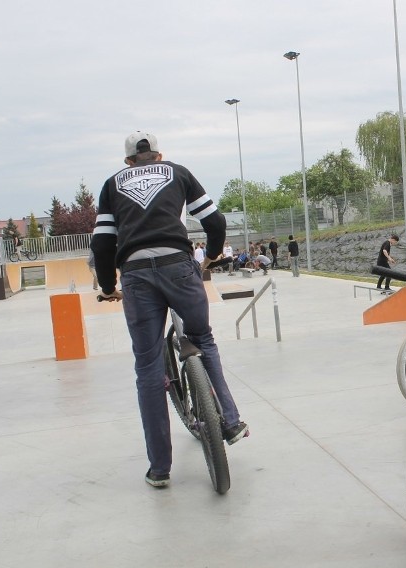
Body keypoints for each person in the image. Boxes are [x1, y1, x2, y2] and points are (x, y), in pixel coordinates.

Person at [91, 131, 248, 489]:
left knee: (147, 367)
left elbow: (101, 242)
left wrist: (107, 287)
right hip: (179, 266)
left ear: (128, 161)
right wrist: (209, 257)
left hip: (136, 276)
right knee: (203, 340)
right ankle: (232, 420)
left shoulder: (112, 184)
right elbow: (215, 221)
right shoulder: (177, 172)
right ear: (159, 156)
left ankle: (159, 469)